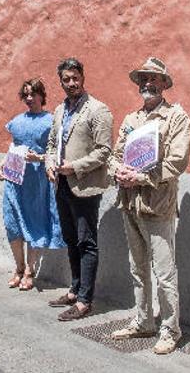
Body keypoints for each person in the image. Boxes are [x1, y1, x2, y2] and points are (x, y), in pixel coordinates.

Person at [108, 57, 190, 355]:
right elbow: (115, 155)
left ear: (164, 84)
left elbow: (177, 161)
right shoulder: (132, 119)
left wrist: (140, 177)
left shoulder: (176, 117)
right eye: (143, 78)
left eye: (154, 78)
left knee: (165, 273)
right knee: (137, 268)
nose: (147, 82)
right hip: (129, 203)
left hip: (158, 204)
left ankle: (171, 328)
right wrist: (117, 170)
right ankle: (143, 321)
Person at [45, 57, 113, 321]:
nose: (71, 83)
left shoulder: (98, 110)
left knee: (86, 242)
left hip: (85, 185)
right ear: (60, 82)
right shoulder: (60, 110)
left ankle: (85, 301)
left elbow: (104, 151)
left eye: (75, 78)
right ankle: (74, 289)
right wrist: (50, 164)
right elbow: (52, 143)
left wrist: (76, 166)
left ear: (83, 78)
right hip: (61, 184)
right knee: (70, 238)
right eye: (66, 79)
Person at [0, 78, 65, 291]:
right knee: (12, 223)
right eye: (25, 94)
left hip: (36, 182)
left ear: (42, 96)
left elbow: (58, 152)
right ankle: (18, 267)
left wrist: (41, 159)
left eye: (33, 94)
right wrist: (1, 165)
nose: (29, 98)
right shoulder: (17, 120)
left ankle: (29, 271)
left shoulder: (51, 121)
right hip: (14, 180)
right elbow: (13, 146)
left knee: (34, 223)